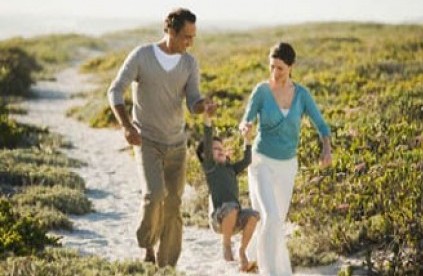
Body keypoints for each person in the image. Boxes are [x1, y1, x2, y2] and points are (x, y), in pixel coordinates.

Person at [107, 8, 212, 267]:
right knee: (154, 195)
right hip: (147, 140)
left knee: (174, 205)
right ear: (171, 31)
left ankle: (167, 265)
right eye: (186, 36)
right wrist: (126, 126)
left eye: (193, 37)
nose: (190, 42)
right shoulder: (142, 56)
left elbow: (193, 101)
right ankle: (146, 243)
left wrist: (203, 106)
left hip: (177, 144)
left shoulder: (189, 63)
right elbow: (115, 91)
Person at [239, 42, 332, 275]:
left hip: (287, 166)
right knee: (269, 216)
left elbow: (321, 124)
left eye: (280, 68)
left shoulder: (302, 95)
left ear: (291, 67)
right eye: (272, 67)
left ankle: (251, 257)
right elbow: (246, 119)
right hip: (261, 162)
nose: (275, 73)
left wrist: (326, 149)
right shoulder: (261, 91)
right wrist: (245, 127)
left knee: (275, 222)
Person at [196, 102, 260, 272]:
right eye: (215, 149)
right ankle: (226, 245)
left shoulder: (230, 168)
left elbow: (247, 161)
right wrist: (208, 119)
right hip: (219, 218)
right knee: (231, 207)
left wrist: (247, 139)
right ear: (206, 155)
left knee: (254, 215)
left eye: (222, 148)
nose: (220, 150)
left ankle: (241, 250)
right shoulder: (211, 167)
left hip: (234, 216)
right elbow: (208, 140)